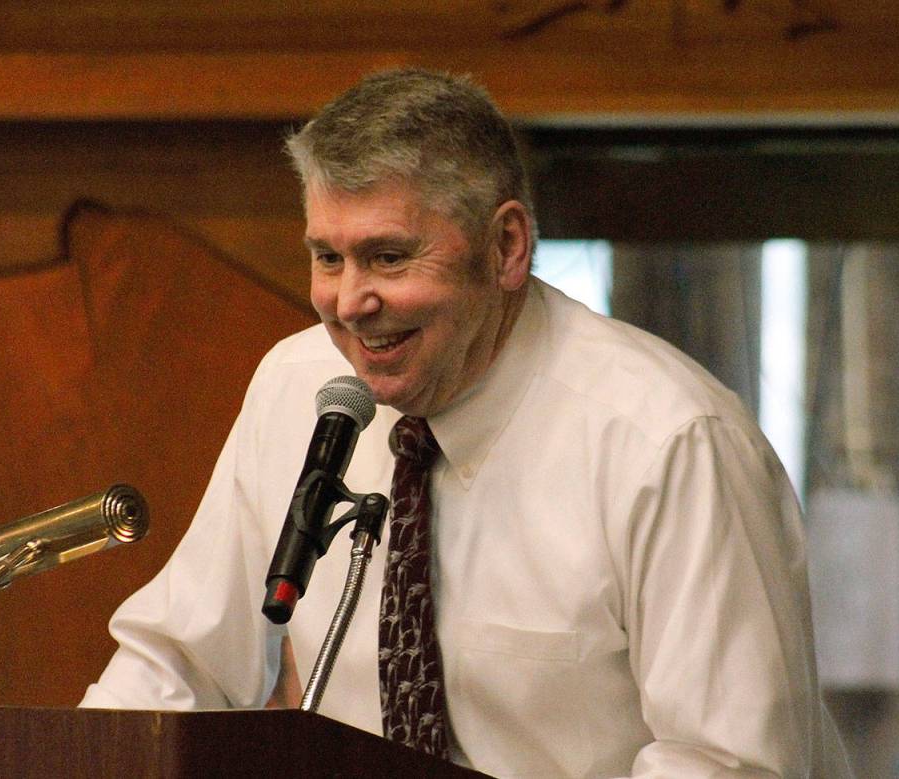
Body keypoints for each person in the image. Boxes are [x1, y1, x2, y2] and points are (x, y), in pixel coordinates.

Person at [81, 68, 850, 777]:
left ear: (506, 246)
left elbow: (728, 764)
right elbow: (178, 662)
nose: (349, 303)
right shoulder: (301, 385)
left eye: (387, 257)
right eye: (327, 257)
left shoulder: (669, 442)